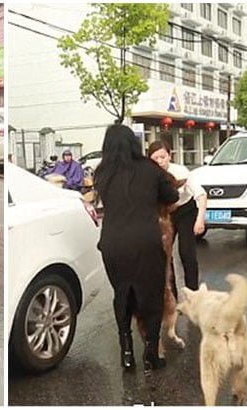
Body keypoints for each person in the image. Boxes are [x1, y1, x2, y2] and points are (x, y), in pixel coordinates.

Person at [94, 124, 179, 370]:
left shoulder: (102, 173)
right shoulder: (150, 169)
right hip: (146, 242)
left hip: (113, 244)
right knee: (150, 297)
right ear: (134, 143)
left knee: (122, 294)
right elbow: (172, 197)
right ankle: (151, 353)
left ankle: (127, 353)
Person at [148, 140, 207, 297]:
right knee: (164, 255)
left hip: (186, 210)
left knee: (187, 252)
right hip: (166, 214)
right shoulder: (149, 175)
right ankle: (171, 298)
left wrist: (200, 220)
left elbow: (201, 195)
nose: (160, 162)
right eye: (155, 158)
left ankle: (193, 295)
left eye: (163, 157)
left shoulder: (181, 171)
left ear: (170, 156)